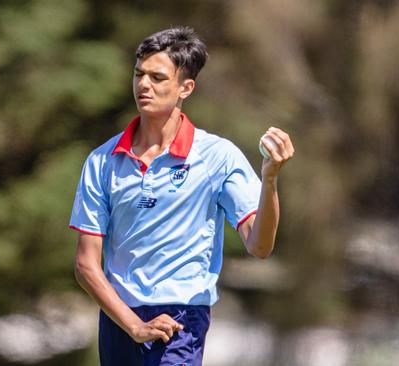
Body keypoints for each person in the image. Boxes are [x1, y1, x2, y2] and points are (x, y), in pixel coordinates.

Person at [69, 26, 294, 365]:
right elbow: (86, 264)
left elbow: (259, 246)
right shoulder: (102, 160)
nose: (144, 85)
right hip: (118, 320)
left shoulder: (218, 156)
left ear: (185, 87)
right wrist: (133, 325)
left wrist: (270, 179)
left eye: (158, 78)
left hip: (180, 322)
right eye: (139, 74)